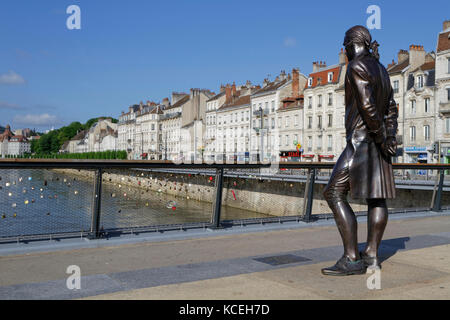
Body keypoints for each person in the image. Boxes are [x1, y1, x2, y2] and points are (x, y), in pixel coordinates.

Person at [321, 25, 398, 276]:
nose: (344, 51)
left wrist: (378, 134)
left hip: (360, 141)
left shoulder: (357, 67)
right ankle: (372, 255)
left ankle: (352, 258)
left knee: (333, 193)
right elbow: (391, 108)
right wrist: (388, 137)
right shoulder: (383, 70)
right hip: (379, 142)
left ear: (352, 44)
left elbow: (367, 106)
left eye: (345, 46)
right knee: (377, 198)